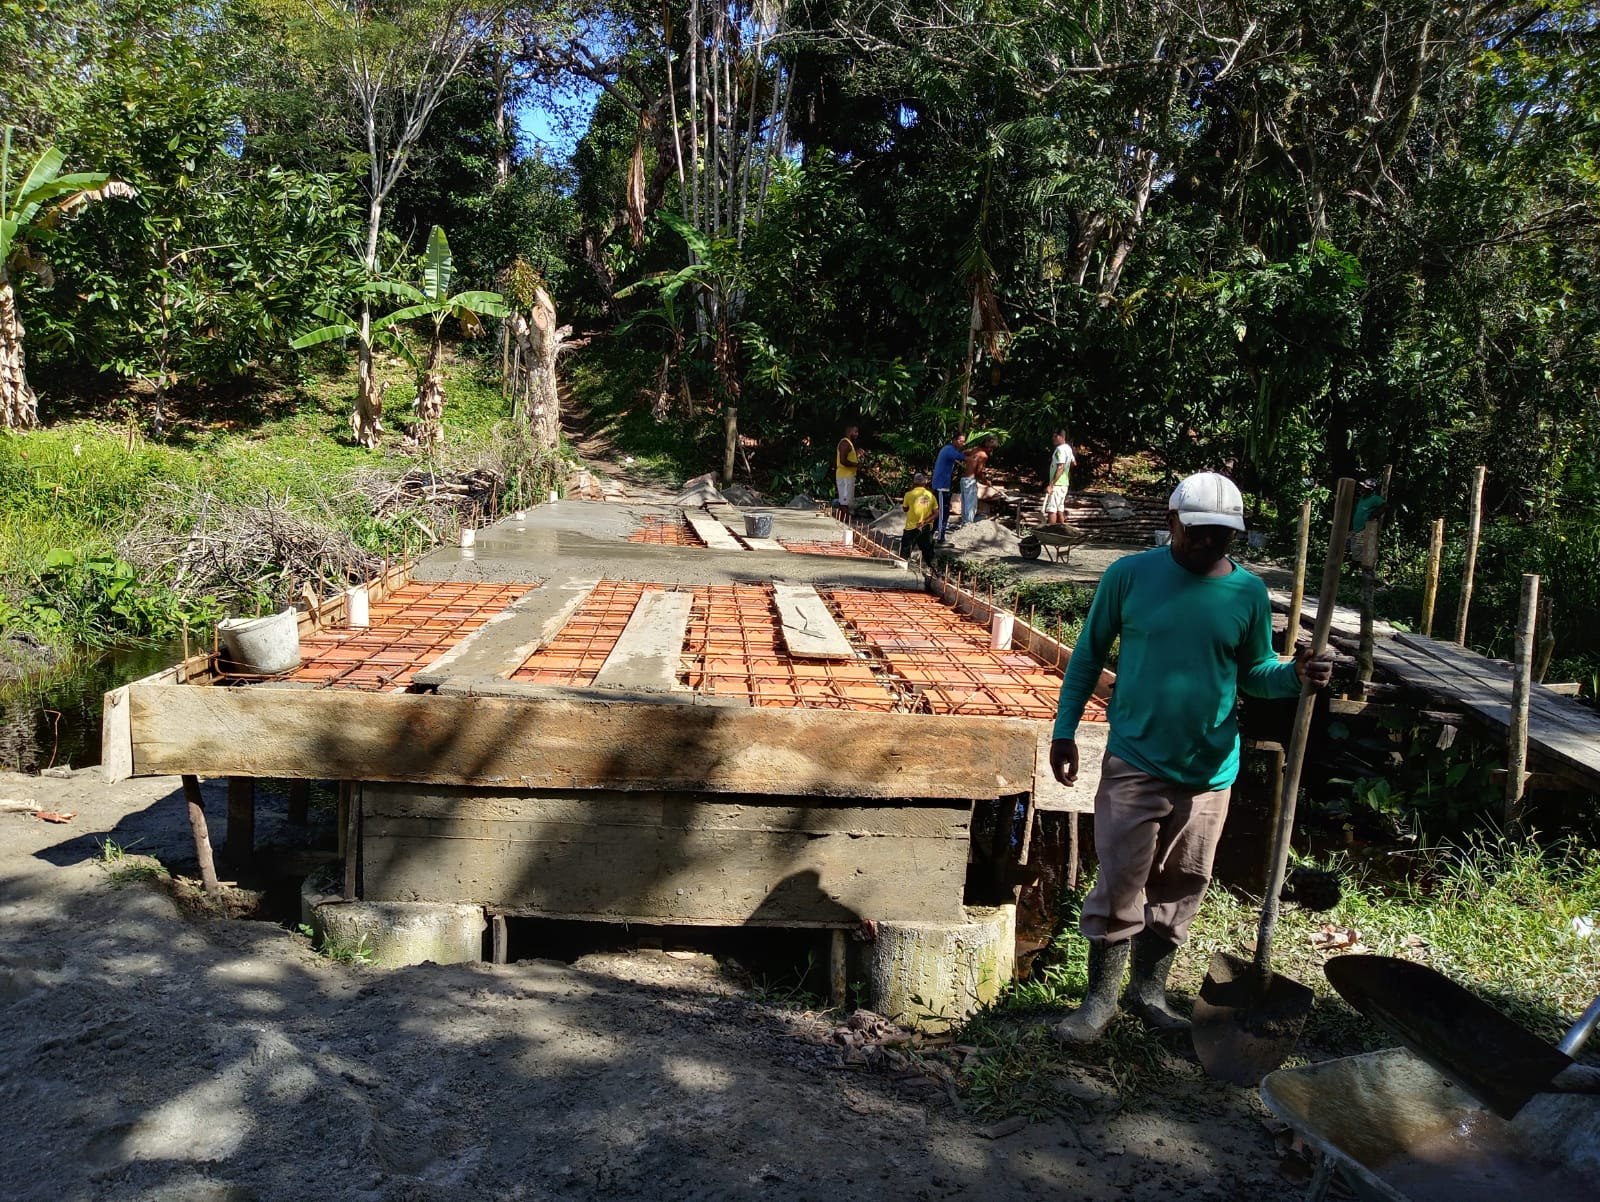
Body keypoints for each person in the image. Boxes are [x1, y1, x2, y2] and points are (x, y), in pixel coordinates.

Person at [1047, 471, 1334, 1043]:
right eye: (1198, 532)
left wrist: (1297, 675)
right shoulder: (1129, 576)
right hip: (1135, 758)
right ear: (1173, 521)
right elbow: (1086, 656)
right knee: (1121, 880)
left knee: (1184, 883)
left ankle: (1148, 992)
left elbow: (1256, 674)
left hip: (1210, 772)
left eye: (1221, 537)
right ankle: (1097, 1003)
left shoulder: (1247, 593)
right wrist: (1065, 730)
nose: (1208, 544)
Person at [931, 433, 967, 542]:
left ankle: (931, 533)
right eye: (961, 441)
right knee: (942, 512)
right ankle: (940, 537)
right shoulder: (949, 449)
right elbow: (962, 457)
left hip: (943, 486)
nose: (962, 443)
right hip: (941, 486)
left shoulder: (949, 450)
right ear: (954, 440)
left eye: (963, 441)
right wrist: (973, 458)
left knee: (942, 511)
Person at [959, 436, 997, 527]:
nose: (991, 451)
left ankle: (964, 523)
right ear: (989, 447)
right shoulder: (984, 455)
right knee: (970, 506)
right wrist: (985, 481)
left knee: (965, 504)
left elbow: (962, 453)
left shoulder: (974, 450)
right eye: (992, 449)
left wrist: (968, 463)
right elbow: (979, 472)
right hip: (970, 481)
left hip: (964, 480)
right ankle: (967, 526)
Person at [900, 472, 937, 564]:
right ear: (924, 483)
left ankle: (901, 570)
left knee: (905, 553)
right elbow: (936, 513)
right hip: (925, 527)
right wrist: (925, 521)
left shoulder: (908, 494)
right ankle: (934, 571)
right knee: (928, 552)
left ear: (914, 483)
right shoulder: (930, 495)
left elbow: (905, 509)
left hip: (911, 527)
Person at [1042, 430, 1077, 524]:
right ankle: (1063, 532)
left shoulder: (1060, 450)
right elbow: (1074, 463)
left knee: (1051, 509)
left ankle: (1051, 533)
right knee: (1059, 508)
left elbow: (1060, 467)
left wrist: (1051, 485)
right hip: (1064, 483)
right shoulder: (1068, 448)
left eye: (1055, 437)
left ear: (1061, 437)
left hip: (1057, 483)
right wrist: (1067, 471)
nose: (1053, 439)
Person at [835, 424, 861, 520]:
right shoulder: (845, 443)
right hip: (844, 477)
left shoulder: (849, 443)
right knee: (844, 502)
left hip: (848, 476)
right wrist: (856, 465)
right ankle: (845, 521)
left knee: (846, 500)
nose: (857, 434)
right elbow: (843, 460)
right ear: (849, 431)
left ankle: (844, 521)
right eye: (855, 431)